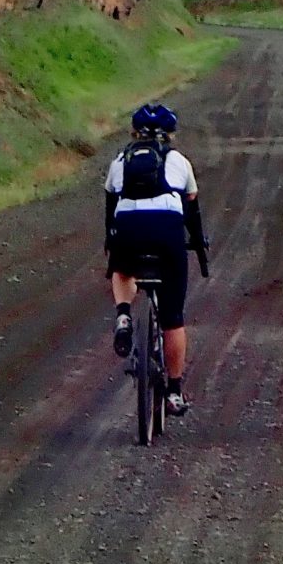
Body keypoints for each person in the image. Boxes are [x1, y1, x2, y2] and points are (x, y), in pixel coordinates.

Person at [106, 102, 207, 416]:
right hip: (167, 232)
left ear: (134, 132)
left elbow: (110, 208)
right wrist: (197, 244)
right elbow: (191, 208)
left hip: (128, 229)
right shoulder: (179, 161)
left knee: (122, 269)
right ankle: (174, 392)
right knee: (173, 319)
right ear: (170, 134)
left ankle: (124, 315)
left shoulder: (120, 161)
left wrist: (113, 245)